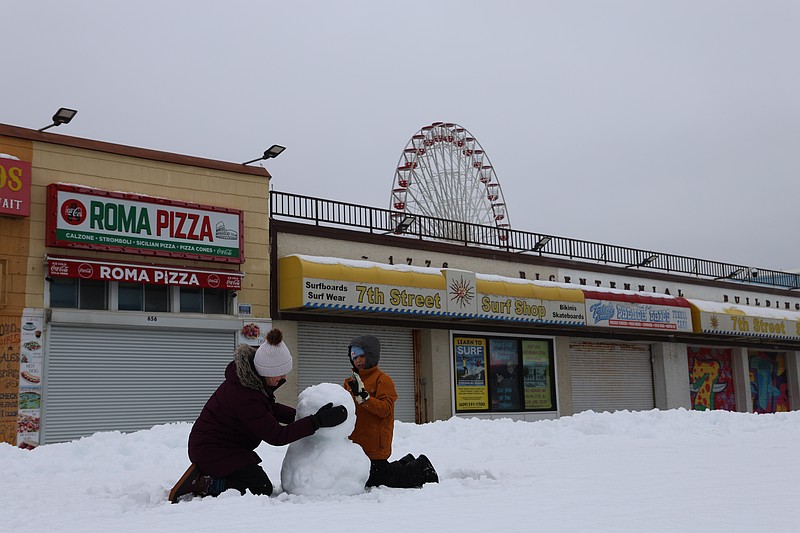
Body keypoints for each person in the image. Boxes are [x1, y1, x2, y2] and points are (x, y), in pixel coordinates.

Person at [168, 328, 348, 502]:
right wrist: (317, 421)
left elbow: (270, 409)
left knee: (257, 482)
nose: (283, 377)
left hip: (225, 447)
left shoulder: (252, 384)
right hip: (212, 450)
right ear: (266, 371)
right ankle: (207, 484)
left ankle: (211, 474)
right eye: (279, 373)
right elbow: (277, 436)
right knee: (260, 487)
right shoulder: (245, 396)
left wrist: (303, 415)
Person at [343, 334, 439, 488]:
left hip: (375, 443)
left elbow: (385, 410)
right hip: (357, 441)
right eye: (354, 357)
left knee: (380, 478)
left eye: (362, 356)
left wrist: (365, 398)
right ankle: (407, 461)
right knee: (369, 476)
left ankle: (422, 468)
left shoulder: (382, 379)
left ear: (371, 355)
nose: (358, 361)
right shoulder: (350, 382)